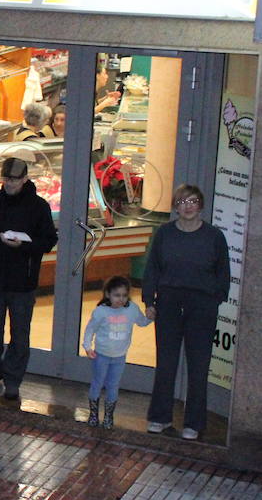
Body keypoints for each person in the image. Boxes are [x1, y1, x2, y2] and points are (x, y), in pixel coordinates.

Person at [141, 184, 231, 440]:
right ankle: (159, 417)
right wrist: (149, 300)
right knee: (166, 364)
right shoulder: (164, 234)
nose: (188, 206)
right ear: (175, 207)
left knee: (199, 366)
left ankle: (194, 423)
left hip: (202, 306)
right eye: (182, 202)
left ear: (200, 205)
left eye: (192, 201)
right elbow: (152, 269)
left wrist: (216, 298)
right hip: (169, 303)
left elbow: (223, 273)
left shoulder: (214, 236)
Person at [0, 157, 58, 400]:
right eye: (6, 179)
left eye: (14, 180)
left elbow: (49, 240)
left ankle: (13, 379)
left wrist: (24, 245)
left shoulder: (38, 206)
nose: (8, 184)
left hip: (23, 279)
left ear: (25, 179)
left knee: (20, 332)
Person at [82, 276, 152, 430]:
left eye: (124, 295)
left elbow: (142, 321)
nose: (121, 299)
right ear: (108, 294)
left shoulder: (131, 309)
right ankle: (93, 414)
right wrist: (87, 347)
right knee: (97, 383)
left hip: (119, 356)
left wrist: (151, 317)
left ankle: (108, 416)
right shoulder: (101, 312)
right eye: (116, 295)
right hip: (101, 355)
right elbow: (90, 329)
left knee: (113, 386)